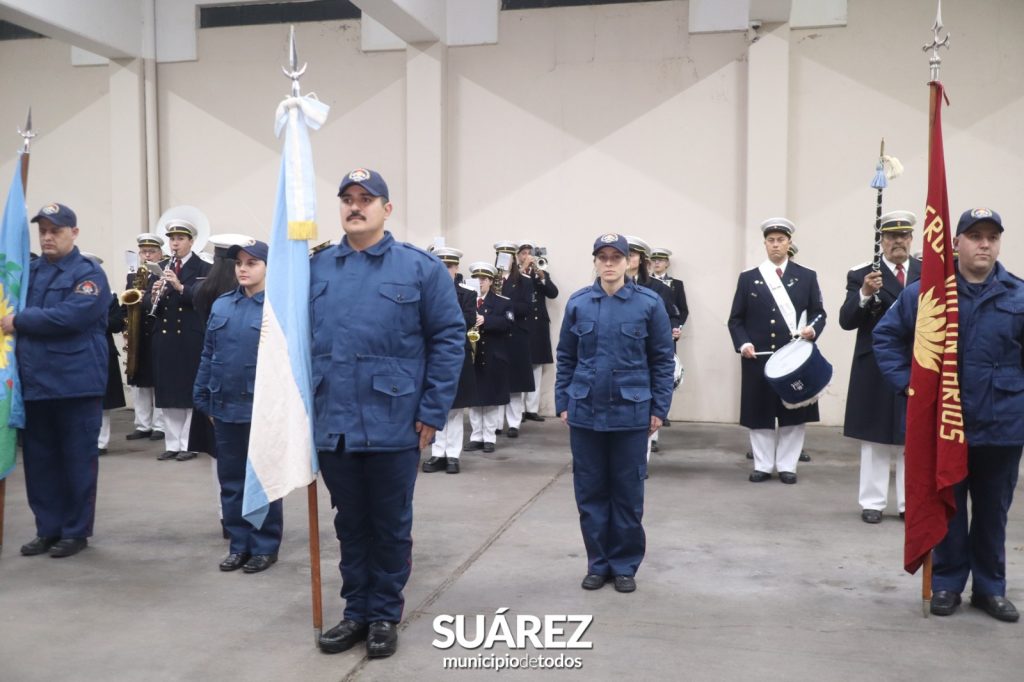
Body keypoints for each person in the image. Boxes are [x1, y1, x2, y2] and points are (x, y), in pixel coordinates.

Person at [313, 168, 464, 658]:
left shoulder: (419, 268)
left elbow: (448, 339)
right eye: (348, 199)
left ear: (387, 208)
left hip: (393, 420)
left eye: (366, 199)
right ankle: (355, 610)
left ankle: (383, 613)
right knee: (349, 523)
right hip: (332, 423)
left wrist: (433, 409)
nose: (355, 207)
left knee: (390, 523)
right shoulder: (315, 269)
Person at [874, 207, 1024, 623]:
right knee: (948, 504)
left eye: (992, 237)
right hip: (946, 425)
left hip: (1003, 423)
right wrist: (910, 384)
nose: (984, 244)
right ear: (954, 242)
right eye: (975, 236)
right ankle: (947, 583)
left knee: (993, 511)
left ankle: (990, 589)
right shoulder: (927, 294)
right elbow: (885, 336)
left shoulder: (1018, 294)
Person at [555, 233, 674, 593]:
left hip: (631, 413)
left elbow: (662, 360)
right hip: (586, 411)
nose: (609, 263)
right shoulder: (579, 304)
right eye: (602, 257)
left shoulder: (649, 304)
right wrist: (562, 401)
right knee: (590, 491)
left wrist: (659, 408)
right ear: (595, 261)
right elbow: (566, 357)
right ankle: (598, 563)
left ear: (629, 261)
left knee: (626, 492)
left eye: (615, 257)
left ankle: (624, 565)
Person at [3, 203, 110, 558]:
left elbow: (70, 317)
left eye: (56, 231)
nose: (48, 237)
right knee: (40, 463)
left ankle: (75, 531)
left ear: (74, 233)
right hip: (35, 386)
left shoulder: (88, 273)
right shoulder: (29, 273)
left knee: (77, 462)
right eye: (43, 231)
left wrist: (19, 321)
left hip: (76, 385)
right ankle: (47, 528)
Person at [193, 240, 282, 574]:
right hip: (225, 404)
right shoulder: (222, 305)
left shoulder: (277, 308)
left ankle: (264, 545)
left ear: (268, 267)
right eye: (239, 263)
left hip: (262, 408)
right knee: (231, 480)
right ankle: (239, 544)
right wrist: (203, 394)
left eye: (252, 263)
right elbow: (209, 352)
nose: (243, 268)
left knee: (261, 480)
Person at [728, 218, 826, 484]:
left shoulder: (806, 276)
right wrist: (743, 343)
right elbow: (736, 319)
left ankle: (787, 466)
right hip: (757, 358)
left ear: (789, 243)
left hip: (794, 358)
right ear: (765, 244)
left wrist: (812, 331)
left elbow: (819, 314)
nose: (775, 245)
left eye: (780, 240)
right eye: (771, 240)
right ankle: (762, 464)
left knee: (792, 413)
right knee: (760, 414)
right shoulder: (749, 278)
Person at [839, 211, 920, 523]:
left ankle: (907, 503)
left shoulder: (928, 271)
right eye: (890, 237)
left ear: (911, 238)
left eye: (902, 236)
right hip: (874, 364)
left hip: (915, 362)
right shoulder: (863, 274)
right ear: (881, 241)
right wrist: (865, 294)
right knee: (874, 438)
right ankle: (872, 502)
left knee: (910, 435)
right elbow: (847, 321)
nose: (897, 242)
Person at [146, 214, 211, 461]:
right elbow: (145, 303)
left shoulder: (204, 268)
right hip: (165, 337)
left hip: (189, 337)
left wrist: (181, 287)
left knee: (187, 392)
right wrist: (153, 297)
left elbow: (205, 298)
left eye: (180, 239)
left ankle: (188, 444)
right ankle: (172, 443)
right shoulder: (161, 267)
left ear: (191, 242)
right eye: (172, 239)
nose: (174, 244)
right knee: (169, 393)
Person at [422, 247, 478, 475]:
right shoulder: (426, 291)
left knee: (455, 409)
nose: (446, 271)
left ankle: (452, 455)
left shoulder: (467, 293)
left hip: (456, 355)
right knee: (437, 405)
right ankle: (437, 453)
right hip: (432, 354)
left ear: (456, 268)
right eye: (442, 266)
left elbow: (467, 320)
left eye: (450, 266)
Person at [625, 237, 679, 456]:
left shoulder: (657, 288)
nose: (627, 259)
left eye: (632, 255)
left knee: (646, 406)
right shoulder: (607, 284)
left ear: (642, 260)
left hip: (646, 354)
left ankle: (642, 458)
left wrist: (675, 329)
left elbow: (672, 315)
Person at [464, 262, 513, 454]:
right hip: (473, 356)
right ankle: (476, 436)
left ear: (491, 281)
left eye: (483, 279)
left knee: (491, 399)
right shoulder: (467, 300)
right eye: (476, 279)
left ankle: (489, 437)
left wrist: (487, 320)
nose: (480, 283)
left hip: (493, 356)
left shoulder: (502, 301)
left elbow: (508, 323)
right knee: (475, 400)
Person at [124, 233, 166, 442]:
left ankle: (160, 424)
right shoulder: (133, 276)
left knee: (158, 379)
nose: (147, 255)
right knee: (139, 381)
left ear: (160, 253)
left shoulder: (163, 272)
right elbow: (127, 301)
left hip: (156, 329)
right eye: (144, 251)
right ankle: (142, 424)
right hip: (137, 330)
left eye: (152, 251)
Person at [495, 241, 535, 438]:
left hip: (516, 334)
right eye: (501, 255)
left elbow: (527, 307)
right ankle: (495, 423)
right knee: (496, 380)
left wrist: (505, 305)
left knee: (515, 383)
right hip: (495, 333)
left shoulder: (524, 281)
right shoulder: (491, 280)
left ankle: (513, 423)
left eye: (508, 255)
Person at [518, 242, 558, 423]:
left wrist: (542, 276)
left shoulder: (541, 273)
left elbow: (553, 293)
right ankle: (517, 410)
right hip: (520, 324)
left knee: (536, 367)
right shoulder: (513, 274)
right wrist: (523, 270)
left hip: (538, 326)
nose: (528, 256)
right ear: (518, 256)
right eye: (524, 253)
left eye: (530, 253)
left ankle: (531, 409)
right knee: (518, 367)